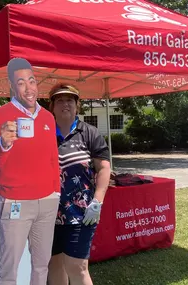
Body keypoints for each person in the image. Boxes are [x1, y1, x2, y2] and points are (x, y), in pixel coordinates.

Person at [0, 58, 60, 285]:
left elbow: (53, 160)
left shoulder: (47, 117)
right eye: (21, 82)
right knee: (10, 267)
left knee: (40, 265)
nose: (29, 88)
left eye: (32, 81)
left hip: (47, 202)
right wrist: (3, 143)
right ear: (11, 86)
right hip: (15, 202)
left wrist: (56, 192)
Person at [47, 83, 111, 285]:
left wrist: (97, 201)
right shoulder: (44, 133)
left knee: (77, 267)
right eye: (59, 100)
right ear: (52, 106)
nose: (65, 104)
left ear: (77, 105)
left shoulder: (89, 133)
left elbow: (103, 168)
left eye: (69, 100)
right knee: (53, 263)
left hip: (81, 213)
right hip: (47, 213)